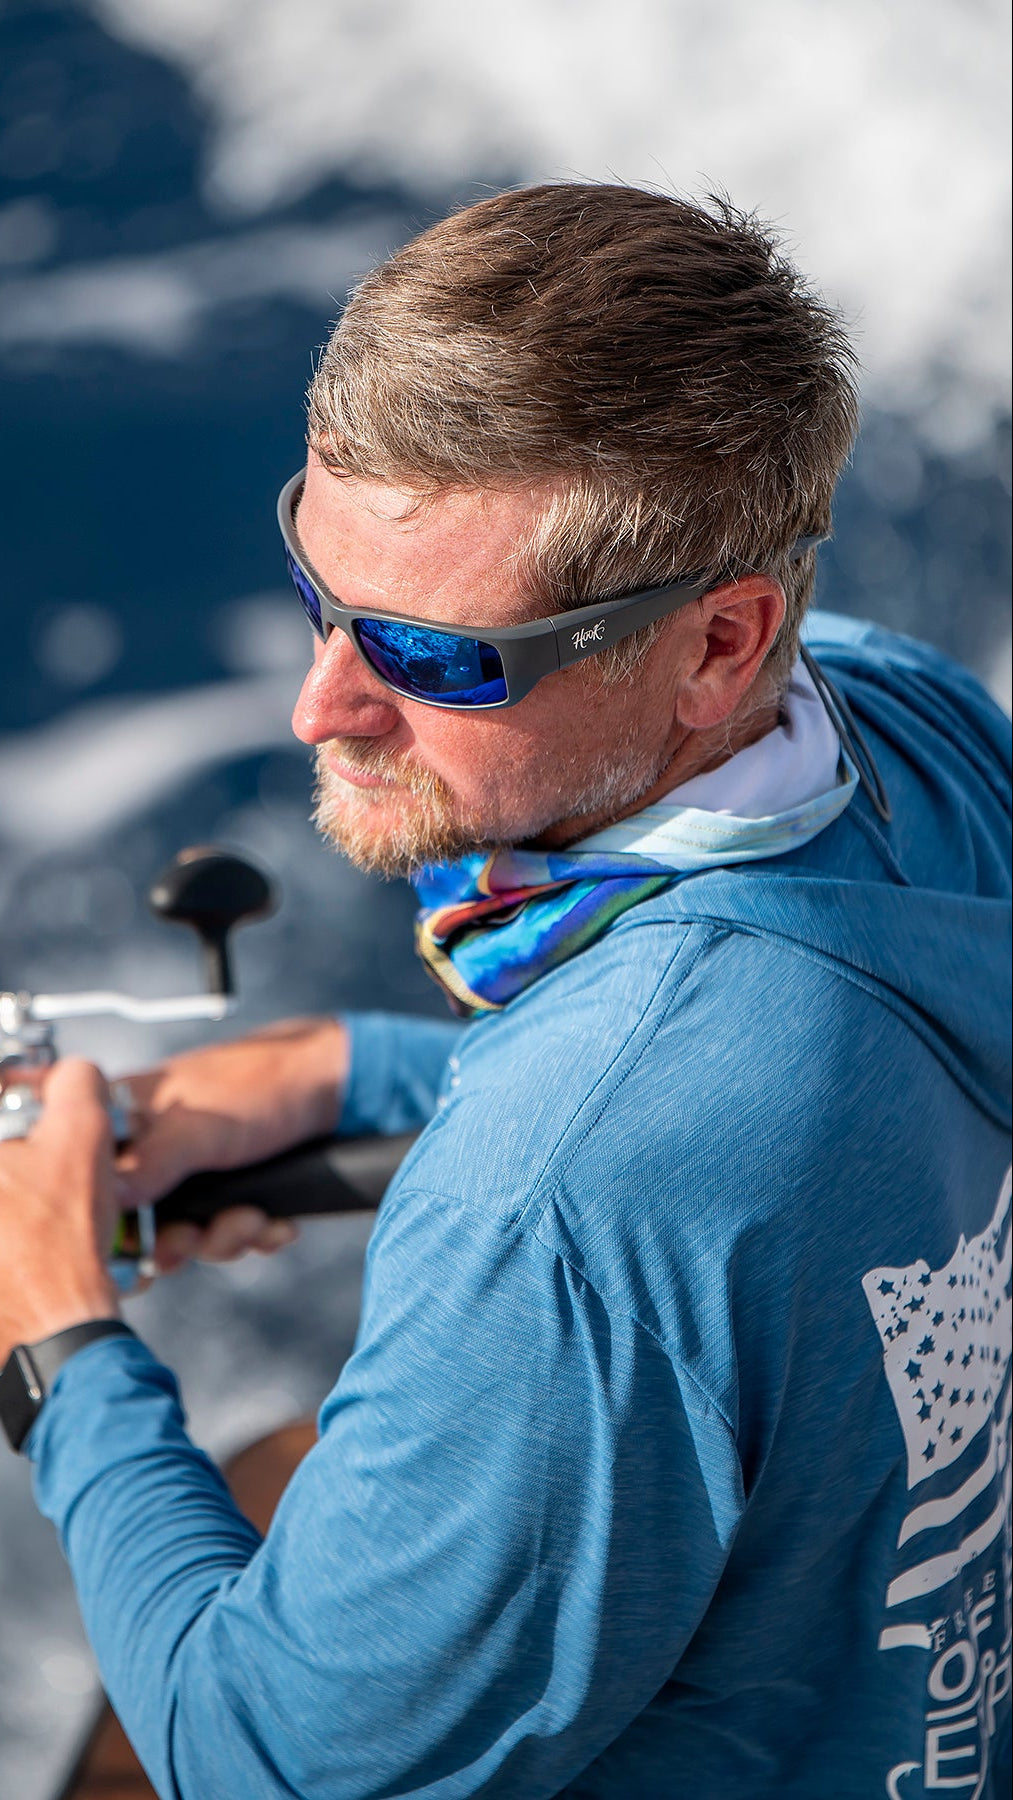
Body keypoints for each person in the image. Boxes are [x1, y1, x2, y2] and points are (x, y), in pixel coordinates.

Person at [0, 183, 1009, 1800]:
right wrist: (356, 1073)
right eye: (322, 592)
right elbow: (772, 1139)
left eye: (437, 657)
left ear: (714, 643)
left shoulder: (568, 1190)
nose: (321, 703)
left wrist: (56, 1335)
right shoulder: (909, 720)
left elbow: (262, 1764)